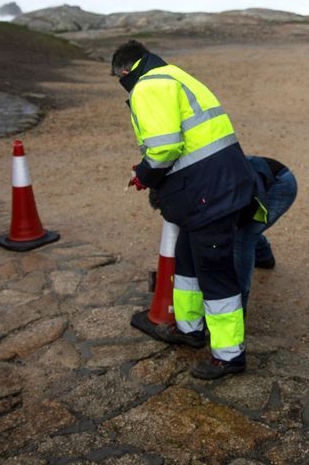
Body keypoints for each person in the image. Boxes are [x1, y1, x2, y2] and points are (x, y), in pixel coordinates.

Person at [113, 40, 266, 380]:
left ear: (124, 71)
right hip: (218, 185)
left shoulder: (147, 86)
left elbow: (165, 147)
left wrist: (144, 175)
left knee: (215, 273)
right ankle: (189, 329)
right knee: (186, 261)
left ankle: (229, 355)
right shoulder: (176, 75)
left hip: (208, 194)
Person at [235, 156, 297, 310]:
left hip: (278, 184)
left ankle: (238, 304)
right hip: (263, 177)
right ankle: (263, 256)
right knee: (245, 227)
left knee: (242, 237)